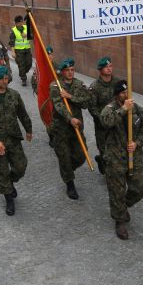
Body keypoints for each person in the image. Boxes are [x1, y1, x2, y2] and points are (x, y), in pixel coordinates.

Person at [0, 66, 33, 216]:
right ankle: (9, 198)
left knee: (21, 166)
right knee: (1, 171)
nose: (6, 80)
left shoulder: (14, 95)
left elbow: (22, 113)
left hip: (14, 138)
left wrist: (28, 129)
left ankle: (10, 182)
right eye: (3, 78)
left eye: (7, 77)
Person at [100, 80, 143, 240]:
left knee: (141, 185)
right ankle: (120, 220)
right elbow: (106, 122)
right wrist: (123, 109)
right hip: (115, 158)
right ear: (116, 95)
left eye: (127, 91)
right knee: (117, 191)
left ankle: (123, 205)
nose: (126, 94)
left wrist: (137, 143)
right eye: (122, 92)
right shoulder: (109, 109)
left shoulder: (136, 109)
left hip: (133, 156)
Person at [49, 58, 92, 200]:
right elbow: (58, 105)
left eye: (72, 70)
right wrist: (69, 119)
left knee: (81, 155)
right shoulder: (55, 86)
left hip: (77, 128)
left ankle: (67, 170)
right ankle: (70, 184)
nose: (70, 73)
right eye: (67, 70)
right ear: (62, 72)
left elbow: (86, 102)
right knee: (64, 157)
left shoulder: (79, 85)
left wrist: (71, 97)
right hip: (61, 129)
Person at [88, 56, 115, 174]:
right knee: (105, 151)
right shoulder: (94, 87)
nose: (109, 69)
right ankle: (102, 160)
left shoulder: (117, 83)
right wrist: (102, 120)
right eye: (106, 67)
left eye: (110, 66)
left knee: (116, 150)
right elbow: (92, 107)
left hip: (116, 122)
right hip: (102, 126)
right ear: (100, 70)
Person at [8, 15, 33, 86]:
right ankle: (23, 79)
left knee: (29, 63)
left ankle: (23, 72)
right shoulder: (13, 31)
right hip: (19, 51)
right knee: (21, 65)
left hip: (27, 49)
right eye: (18, 23)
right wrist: (13, 52)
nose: (20, 24)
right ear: (16, 23)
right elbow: (11, 43)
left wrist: (27, 35)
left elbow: (31, 36)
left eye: (21, 22)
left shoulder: (26, 27)